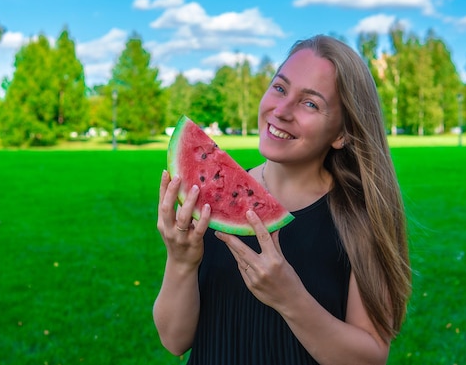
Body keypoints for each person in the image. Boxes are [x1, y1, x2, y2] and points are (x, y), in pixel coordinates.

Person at [153, 34, 411, 365]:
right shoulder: (211, 202)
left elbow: (371, 357)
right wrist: (181, 261)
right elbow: (175, 340)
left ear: (342, 134)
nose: (282, 110)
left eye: (310, 103)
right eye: (279, 88)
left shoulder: (359, 220)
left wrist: (290, 298)